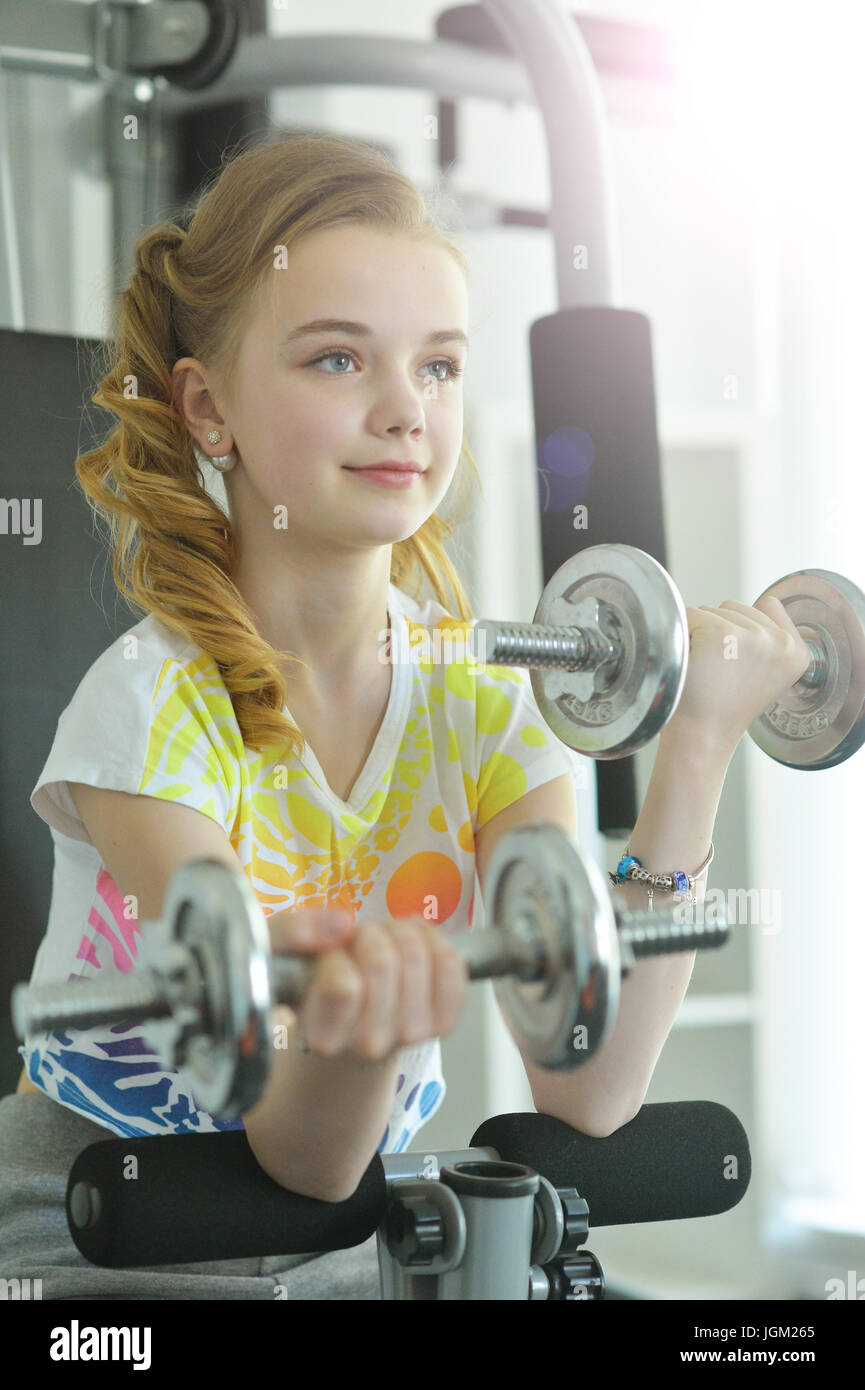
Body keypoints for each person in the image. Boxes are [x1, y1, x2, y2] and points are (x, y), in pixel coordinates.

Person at [3, 132, 812, 1300]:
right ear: (209, 405)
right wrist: (370, 1026)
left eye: (436, 366)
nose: (404, 410)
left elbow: (585, 1084)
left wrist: (699, 741)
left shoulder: (489, 709)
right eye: (339, 361)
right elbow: (296, 1139)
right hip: (102, 1225)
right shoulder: (151, 714)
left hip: (355, 1230)